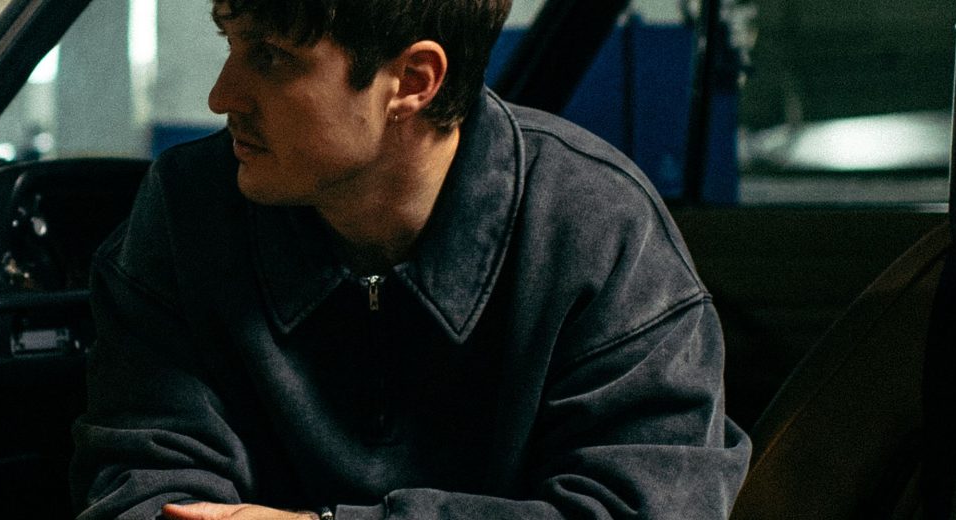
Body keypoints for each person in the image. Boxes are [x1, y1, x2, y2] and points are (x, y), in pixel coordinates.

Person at [69, 0, 752, 518]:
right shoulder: (189, 212)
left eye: (270, 56)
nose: (221, 96)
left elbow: (648, 506)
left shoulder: (598, 230)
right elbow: (145, 487)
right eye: (231, 42)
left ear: (413, 80)